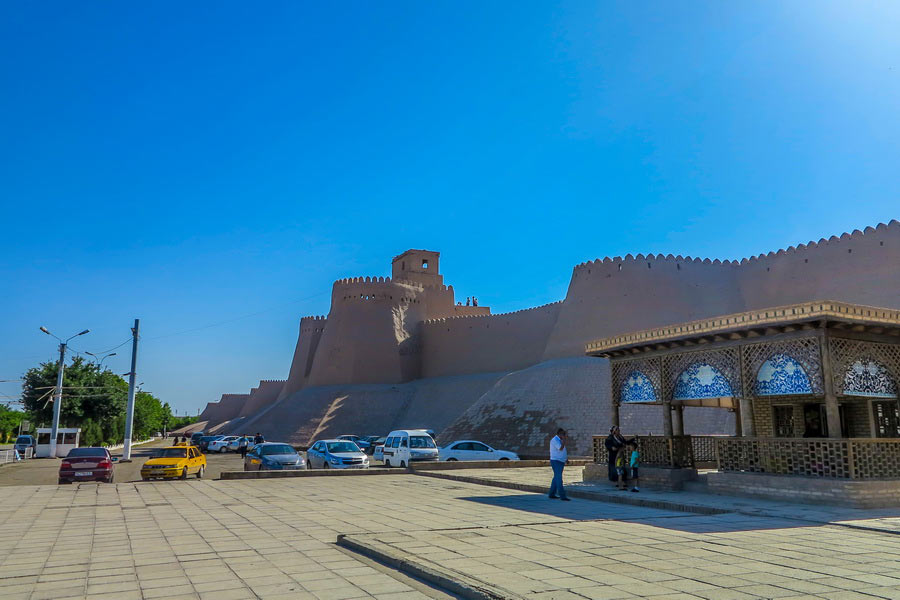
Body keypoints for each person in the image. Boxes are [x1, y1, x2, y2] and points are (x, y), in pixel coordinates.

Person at [548, 428, 570, 501]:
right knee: (559, 479)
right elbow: (560, 448)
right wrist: (564, 440)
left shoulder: (560, 440)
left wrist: (566, 459)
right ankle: (562, 495)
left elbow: (563, 451)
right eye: (563, 434)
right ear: (560, 434)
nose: (564, 436)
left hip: (561, 461)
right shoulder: (555, 440)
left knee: (556, 478)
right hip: (556, 461)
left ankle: (551, 494)